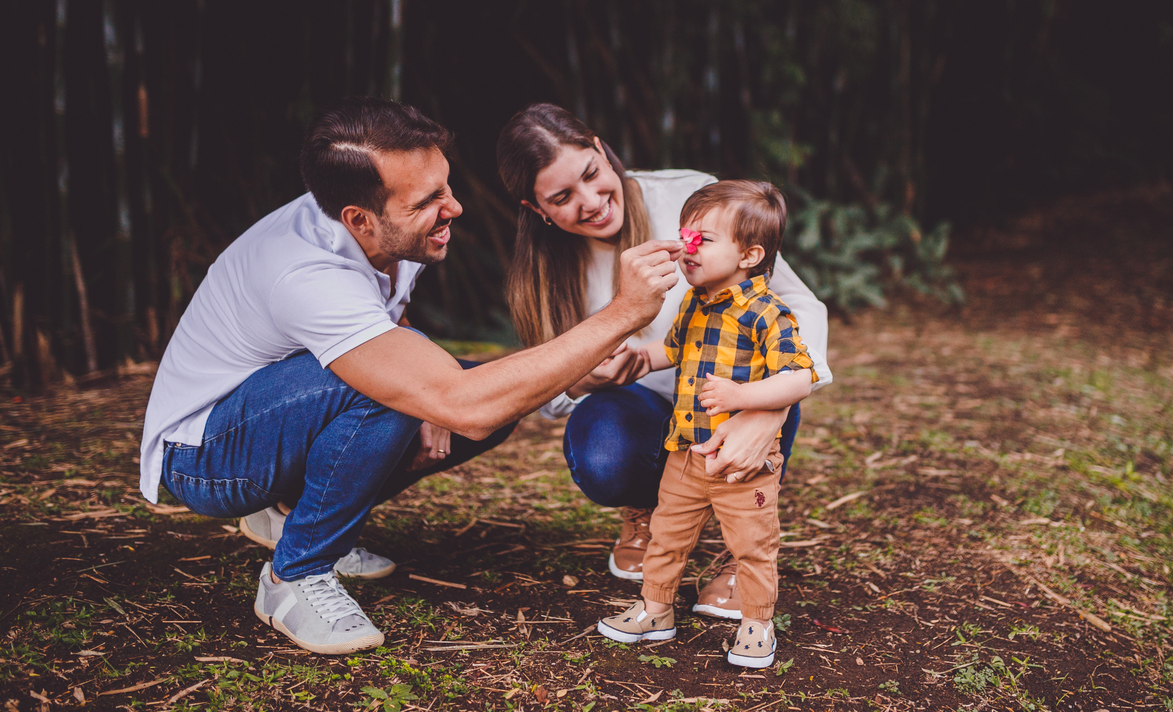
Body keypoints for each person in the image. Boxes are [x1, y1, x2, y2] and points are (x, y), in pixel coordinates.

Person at [139, 98, 684, 655]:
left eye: (445, 186)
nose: (456, 208)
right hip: (207, 456)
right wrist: (623, 313)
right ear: (359, 218)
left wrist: (431, 397)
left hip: (275, 414)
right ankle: (293, 578)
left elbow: (391, 320)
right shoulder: (306, 273)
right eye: (431, 200)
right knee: (420, 395)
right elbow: (459, 400)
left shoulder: (395, 226)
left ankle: (290, 518)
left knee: (478, 407)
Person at [495, 104, 832, 620]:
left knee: (760, 421)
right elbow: (548, 392)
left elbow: (796, 304)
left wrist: (768, 408)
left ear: (602, 149)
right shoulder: (542, 275)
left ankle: (741, 550)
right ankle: (649, 513)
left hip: (742, 398)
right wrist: (585, 376)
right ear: (535, 207)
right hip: (646, 414)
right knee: (602, 453)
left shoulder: (691, 197)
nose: (592, 202)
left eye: (592, 174)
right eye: (562, 198)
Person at [596, 180, 815, 668]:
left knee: (753, 545)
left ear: (750, 255)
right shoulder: (693, 303)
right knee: (667, 534)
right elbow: (669, 350)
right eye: (684, 234)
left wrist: (743, 397)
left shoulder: (769, 315)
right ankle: (656, 609)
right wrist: (635, 355)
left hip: (742, 464)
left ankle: (756, 623)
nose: (686, 247)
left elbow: (799, 377)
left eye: (704, 239)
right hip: (685, 454)